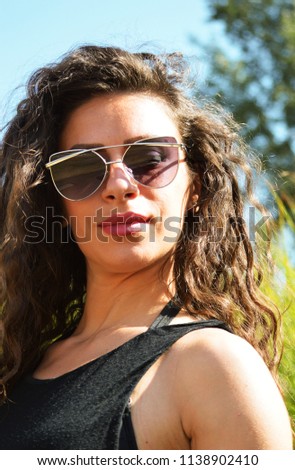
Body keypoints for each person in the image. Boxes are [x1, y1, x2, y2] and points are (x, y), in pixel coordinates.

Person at [0, 45, 292, 450]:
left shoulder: (212, 366)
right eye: (82, 169)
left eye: (150, 158)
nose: (120, 186)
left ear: (196, 187)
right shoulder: (17, 365)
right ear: (57, 204)